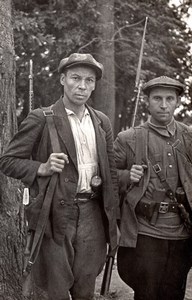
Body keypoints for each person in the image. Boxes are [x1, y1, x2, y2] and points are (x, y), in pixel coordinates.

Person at [0, 53, 119, 300]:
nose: (82, 86)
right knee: (55, 290)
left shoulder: (101, 122)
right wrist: (40, 168)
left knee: (86, 288)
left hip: (93, 215)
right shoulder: (41, 118)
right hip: (55, 214)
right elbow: (8, 161)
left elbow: (111, 175)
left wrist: (112, 219)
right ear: (63, 80)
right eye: (75, 78)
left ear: (95, 84)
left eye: (88, 80)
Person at [114, 76, 192, 300]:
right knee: (147, 293)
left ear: (177, 101)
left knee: (174, 292)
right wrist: (128, 175)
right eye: (157, 98)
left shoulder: (188, 137)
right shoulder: (128, 138)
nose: (164, 104)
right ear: (147, 101)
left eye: (170, 98)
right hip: (146, 232)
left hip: (181, 232)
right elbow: (105, 177)